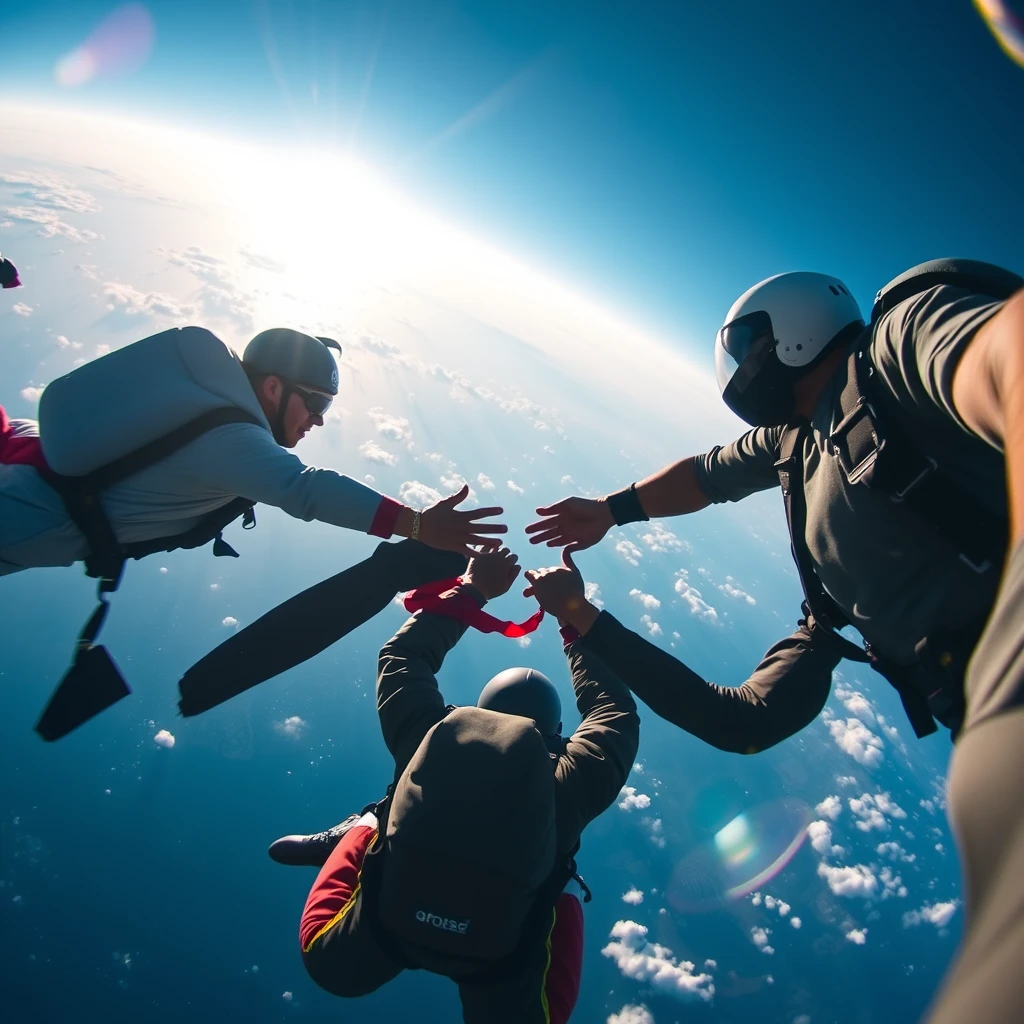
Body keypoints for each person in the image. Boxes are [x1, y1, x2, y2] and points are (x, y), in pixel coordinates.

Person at [525, 261, 1024, 1021]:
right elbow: (705, 477)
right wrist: (609, 523)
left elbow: (1000, 353)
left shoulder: (893, 347)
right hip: (970, 701)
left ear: (791, 333)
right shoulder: (795, 437)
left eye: (747, 344)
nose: (741, 366)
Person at [2, 326, 505, 738]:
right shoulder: (232, 440)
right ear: (272, 387)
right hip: (27, 515)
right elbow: (305, 489)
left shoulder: (202, 400)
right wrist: (416, 524)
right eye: (317, 406)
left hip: (26, 451)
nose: (319, 422)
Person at [267, 547, 640, 1023]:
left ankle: (368, 825)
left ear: (482, 706)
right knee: (554, 896)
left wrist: (474, 588)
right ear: (554, 731)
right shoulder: (572, 781)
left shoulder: (429, 735)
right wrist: (572, 618)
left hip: (387, 927)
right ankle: (558, 884)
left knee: (330, 963)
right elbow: (614, 709)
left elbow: (402, 657)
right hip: (493, 952)